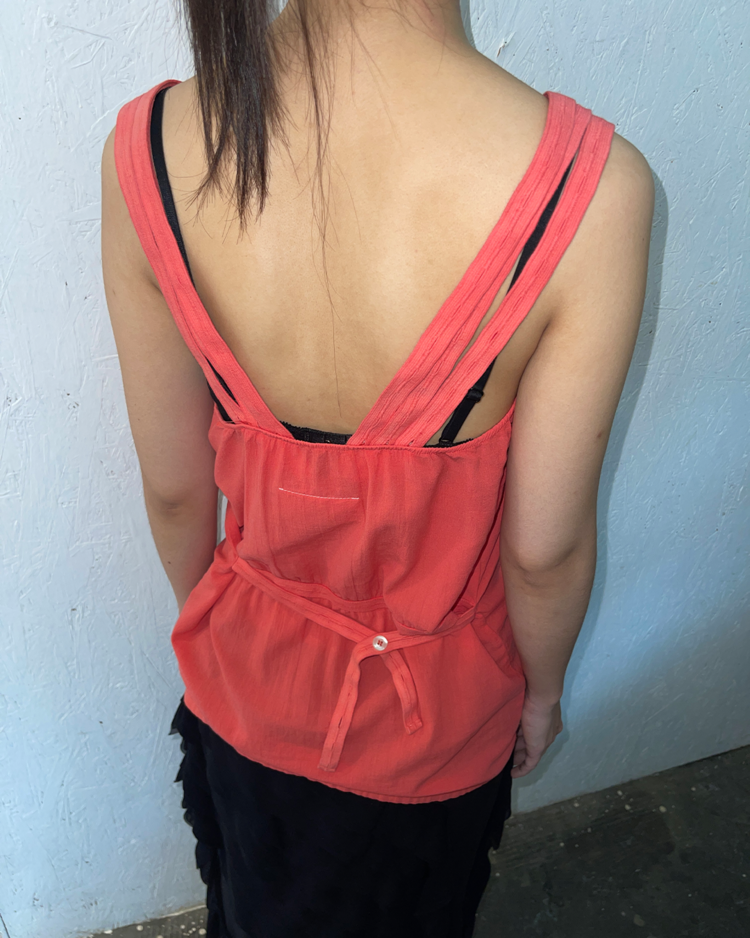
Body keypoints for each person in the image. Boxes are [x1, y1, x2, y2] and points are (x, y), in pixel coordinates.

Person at [101, 0, 654, 933]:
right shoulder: (591, 188)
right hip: (433, 739)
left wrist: (240, 644)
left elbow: (174, 492)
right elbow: (544, 552)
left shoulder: (149, 146)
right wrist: (544, 692)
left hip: (241, 704)